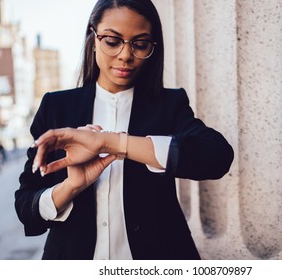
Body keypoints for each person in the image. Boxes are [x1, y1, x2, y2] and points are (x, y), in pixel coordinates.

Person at [15, 0, 234, 260]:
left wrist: (113, 143)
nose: (126, 55)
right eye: (112, 41)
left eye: (140, 44)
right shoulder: (57, 107)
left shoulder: (169, 105)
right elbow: (26, 206)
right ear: (93, 38)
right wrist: (71, 186)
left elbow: (217, 156)